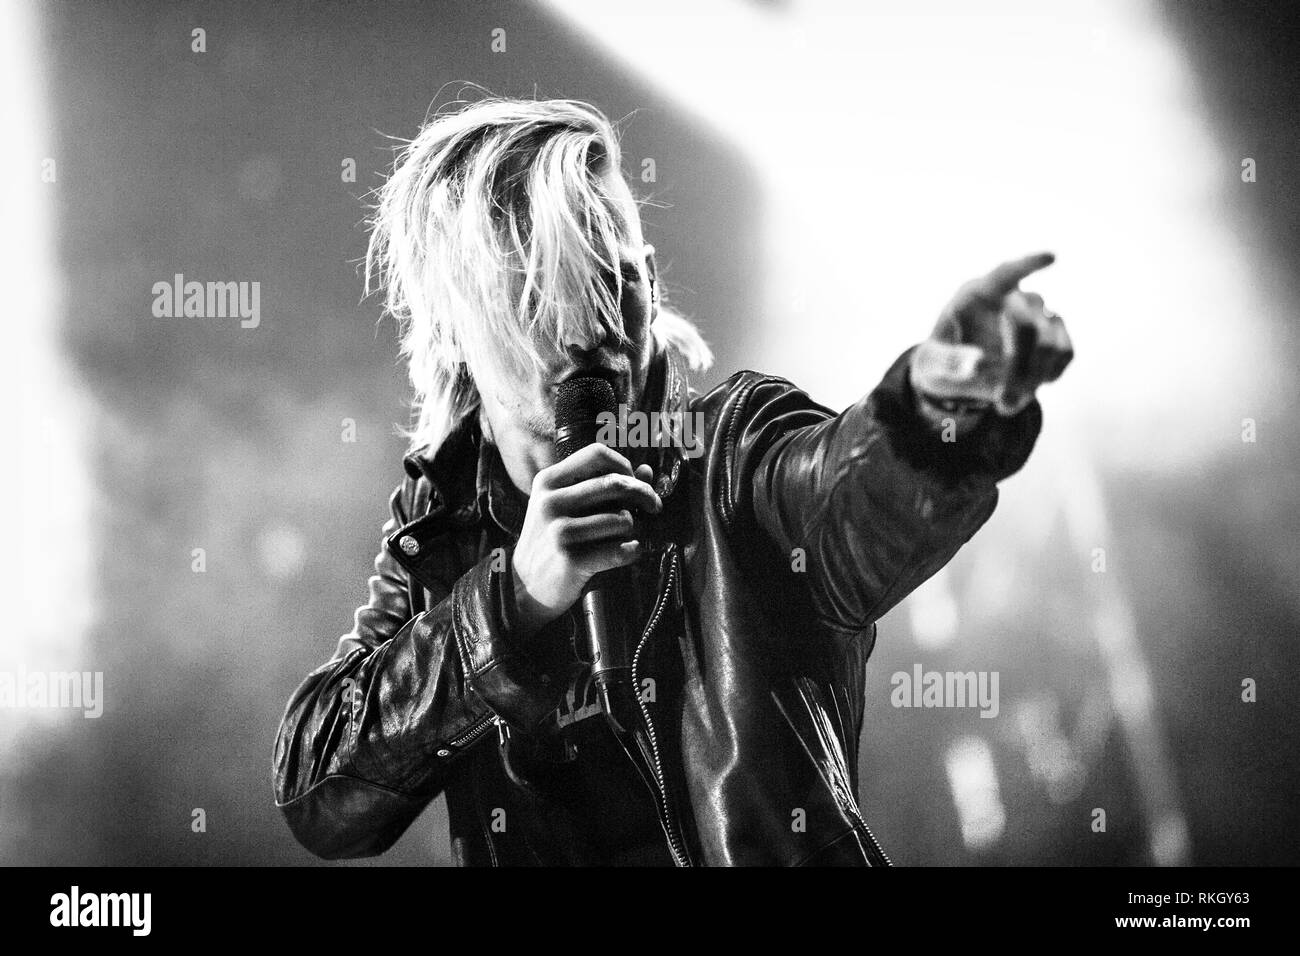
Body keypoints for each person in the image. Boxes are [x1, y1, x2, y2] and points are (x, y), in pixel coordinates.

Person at [271, 96, 1073, 866]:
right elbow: (319, 795)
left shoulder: (729, 454)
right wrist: (512, 602)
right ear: (454, 328)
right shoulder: (444, 531)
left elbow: (851, 499)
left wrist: (937, 410)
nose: (592, 330)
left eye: (613, 282)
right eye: (539, 296)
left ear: (650, 279)